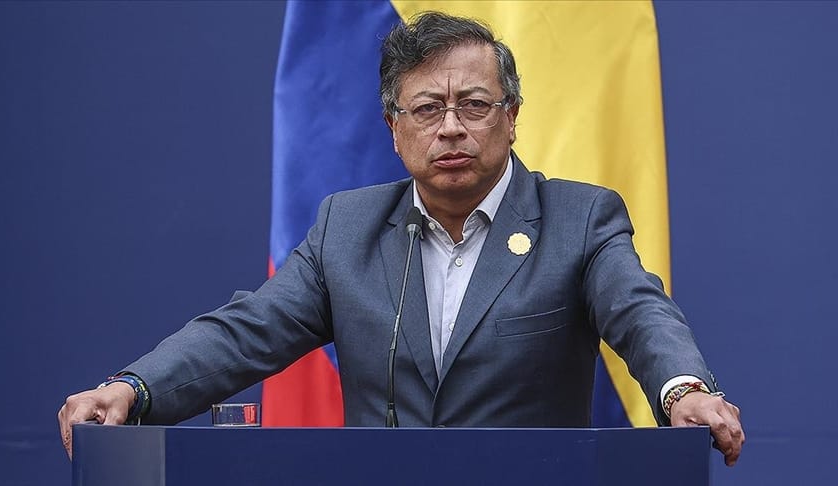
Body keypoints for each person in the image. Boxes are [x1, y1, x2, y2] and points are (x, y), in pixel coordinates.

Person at [59, 12, 744, 465]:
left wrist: (682, 390)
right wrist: (134, 389)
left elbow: (640, 311)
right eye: (427, 109)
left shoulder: (579, 218)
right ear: (394, 128)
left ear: (512, 118)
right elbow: (245, 332)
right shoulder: (347, 229)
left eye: (474, 105)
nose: (451, 127)